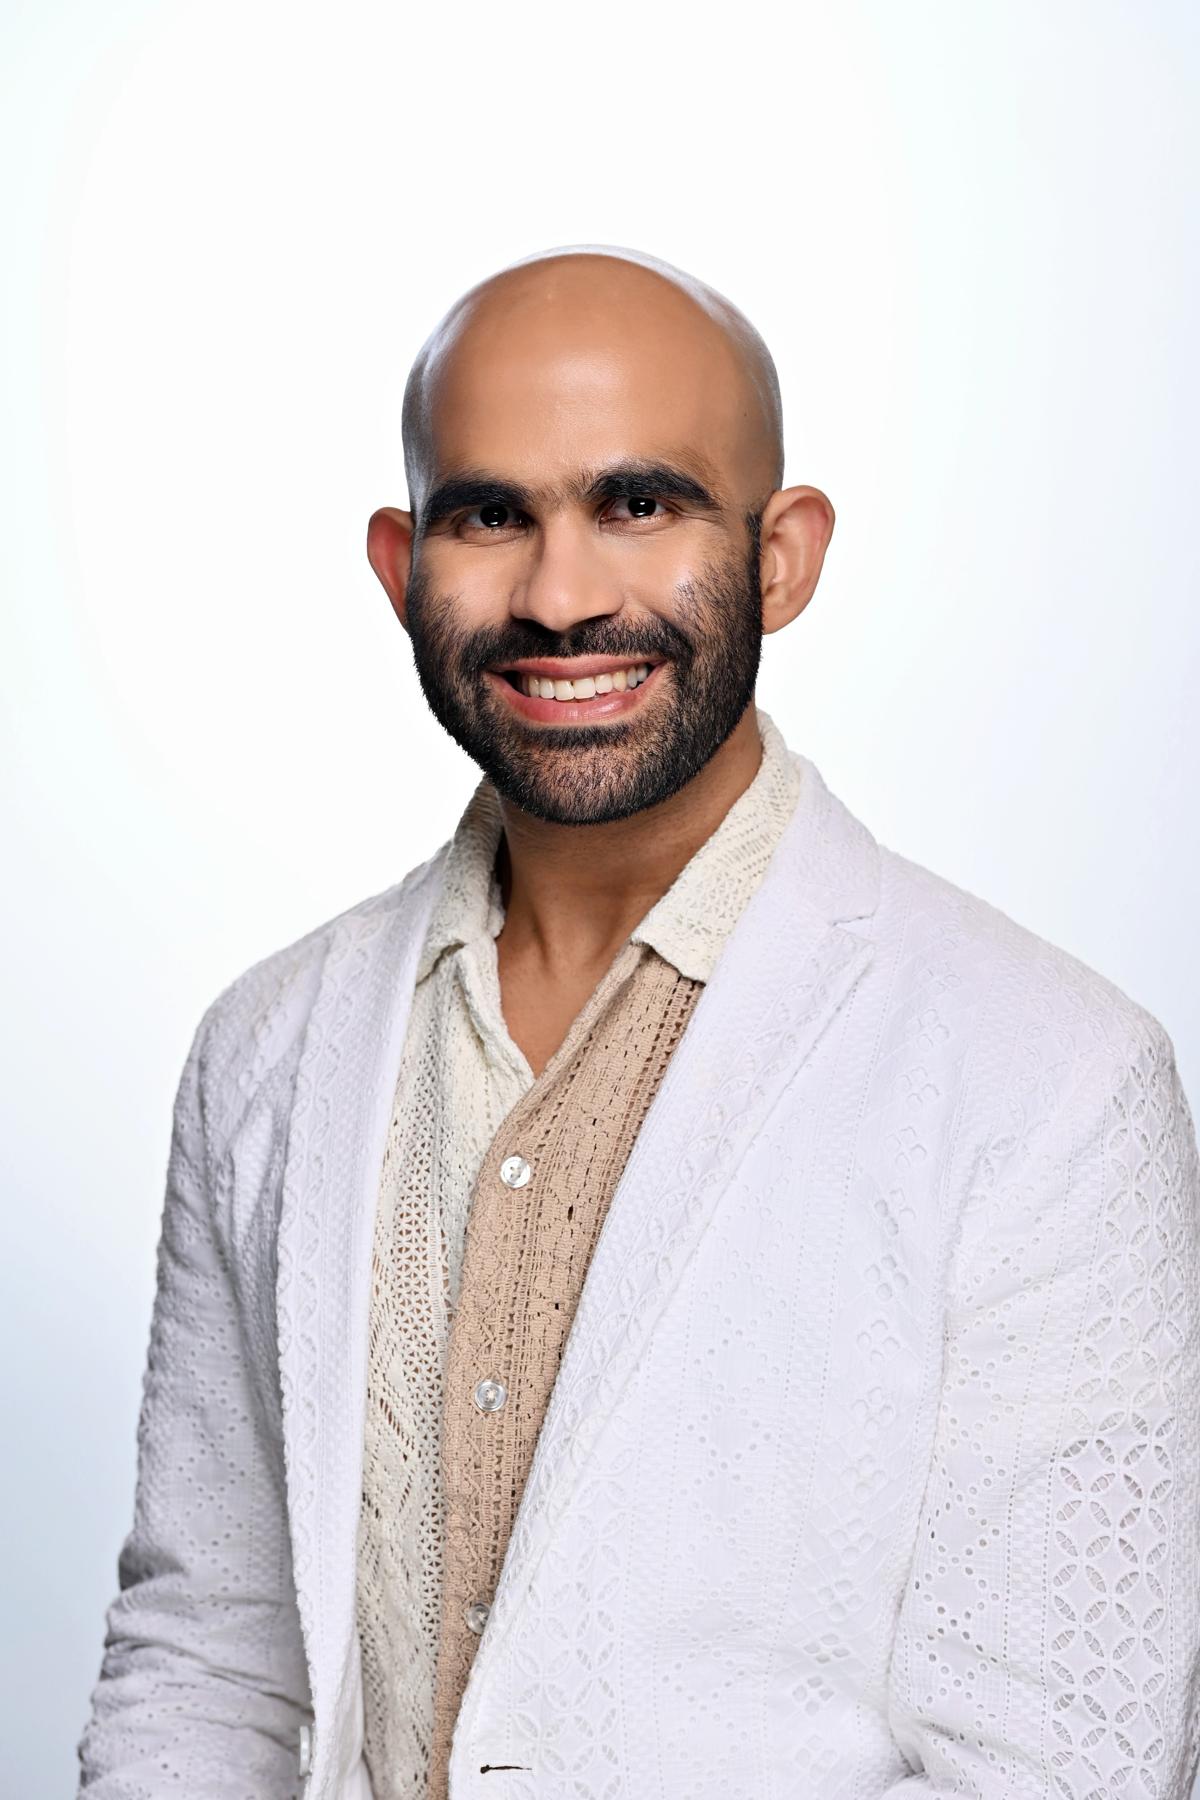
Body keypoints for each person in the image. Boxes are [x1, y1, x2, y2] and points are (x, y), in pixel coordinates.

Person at [77, 246, 1200, 1800]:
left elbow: (1060, 1768)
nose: (560, 596)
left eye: (641, 503)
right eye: (491, 516)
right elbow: (207, 1658)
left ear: (784, 555)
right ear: (403, 564)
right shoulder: (267, 1047)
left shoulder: (1052, 1084)